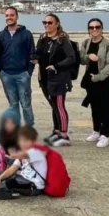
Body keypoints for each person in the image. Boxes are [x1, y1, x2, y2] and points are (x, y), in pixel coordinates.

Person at [32, 14, 75, 147]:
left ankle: (64, 135)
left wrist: (56, 66)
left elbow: (71, 58)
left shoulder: (63, 41)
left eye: (50, 23)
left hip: (58, 78)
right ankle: (56, 131)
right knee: (53, 105)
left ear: (57, 24)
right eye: (44, 22)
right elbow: (39, 53)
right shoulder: (43, 39)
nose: (46, 25)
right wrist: (34, 58)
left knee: (60, 106)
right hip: (45, 79)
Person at [79, 18, 109, 148]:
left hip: (104, 80)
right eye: (91, 27)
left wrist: (99, 77)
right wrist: (88, 56)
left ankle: (105, 135)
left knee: (105, 108)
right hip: (90, 80)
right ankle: (96, 130)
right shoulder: (85, 43)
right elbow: (82, 61)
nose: (94, 29)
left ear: (102, 28)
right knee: (94, 107)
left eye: (97, 27)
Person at [0, 6, 36, 127]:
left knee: (26, 104)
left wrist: (28, 72)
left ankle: (29, 129)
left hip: (22, 74)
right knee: (13, 105)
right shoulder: (1, 35)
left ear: (17, 17)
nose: (9, 17)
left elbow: (32, 54)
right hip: (6, 75)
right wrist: (0, 72)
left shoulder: (26, 34)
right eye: (7, 15)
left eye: (12, 15)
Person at [0, 126, 46, 200]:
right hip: (23, 179)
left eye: (25, 140)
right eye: (21, 140)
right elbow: (12, 169)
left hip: (34, 185)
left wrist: (10, 150)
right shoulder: (23, 154)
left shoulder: (37, 152)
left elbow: (18, 155)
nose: (22, 143)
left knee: (2, 188)